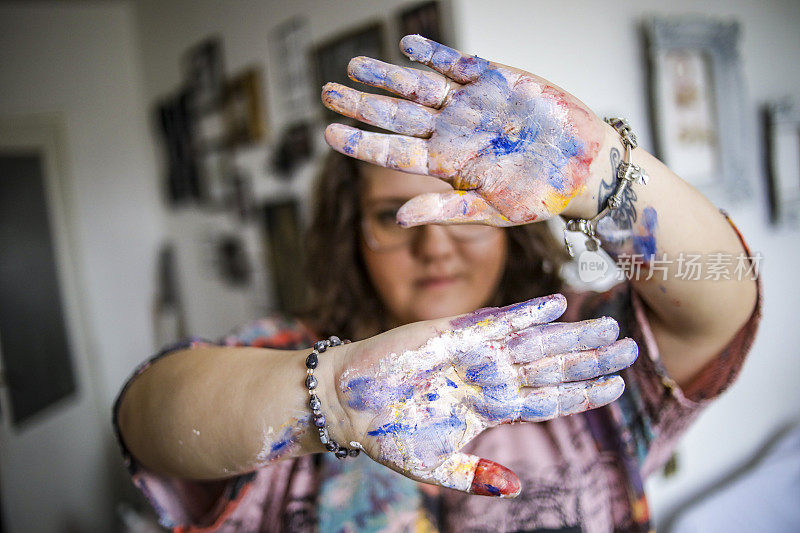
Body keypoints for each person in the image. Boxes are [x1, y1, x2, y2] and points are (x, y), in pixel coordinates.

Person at [114, 35, 761, 532]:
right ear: (352, 233)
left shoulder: (585, 357)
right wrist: (337, 398)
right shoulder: (287, 350)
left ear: (515, 220)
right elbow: (146, 418)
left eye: (465, 206)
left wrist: (599, 177)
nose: (434, 243)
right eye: (393, 215)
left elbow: (723, 302)